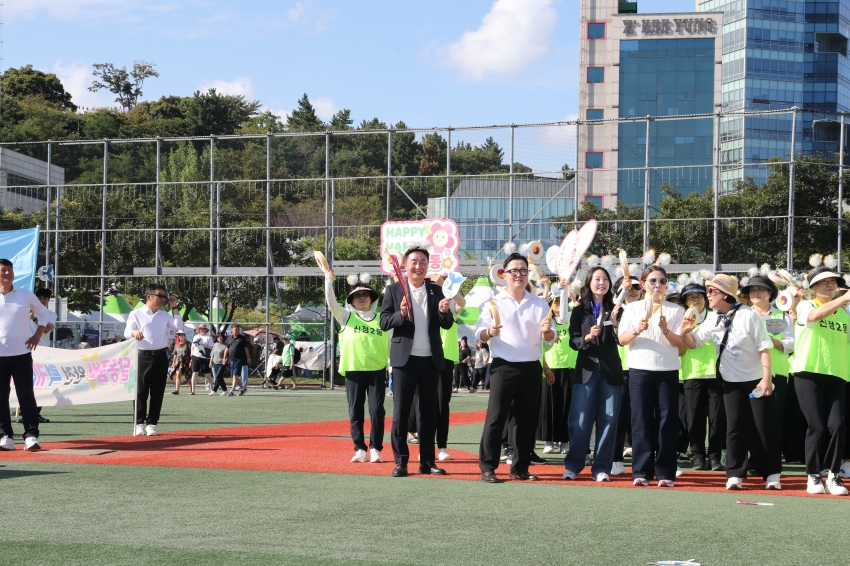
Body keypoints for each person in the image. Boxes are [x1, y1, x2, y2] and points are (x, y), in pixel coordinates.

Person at [682, 274, 782, 491]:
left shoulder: (749, 315)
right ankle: (735, 474)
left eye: (711, 291)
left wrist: (766, 379)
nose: (707, 295)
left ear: (725, 294)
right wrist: (685, 332)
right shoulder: (713, 318)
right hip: (730, 381)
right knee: (734, 427)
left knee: (763, 426)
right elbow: (694, 343)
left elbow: (765, 347)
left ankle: (772, 473)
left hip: (756, 380)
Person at [477, 252, 557, 483]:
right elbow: (480, 333)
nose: (518, 275)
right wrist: (489, 332)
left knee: (527, 419)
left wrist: (547, 331)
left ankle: (520, 467)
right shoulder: (493, 303)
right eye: (513, 271)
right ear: (504, 274)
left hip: (531, 367)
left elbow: (550, 339)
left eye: (523, 270)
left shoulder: (539, 303)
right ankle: (488, 467)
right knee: (496, 417)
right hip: (503, 366)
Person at [380, 245, 454, 478]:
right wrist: (400, 314)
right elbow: (384, 322)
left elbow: (446, 323)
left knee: (428, 414)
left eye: (423, 261)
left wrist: (444, 311)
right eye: (414, 261)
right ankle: (401, 462)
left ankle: (427, 462)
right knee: (401, 413)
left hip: (431, 360)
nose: (418, 266)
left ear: (428, 265)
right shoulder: (394, 290)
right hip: (405, 360)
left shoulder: (436, 290)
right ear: (405, 265)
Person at [618, 265, 686, 487]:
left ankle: (665, 472)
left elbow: (681, 344)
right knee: (641, 420)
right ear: (644, 284)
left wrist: (666, 330)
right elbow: (622, 339)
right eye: (653, 281)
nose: (658, 285)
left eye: (662, 281)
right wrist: (637, 330)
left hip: (667, 370)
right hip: (639, 369)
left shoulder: (676, 310)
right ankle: (641, 471)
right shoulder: (632, 308)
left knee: (667, 421)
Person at [789, 266, 850, 496]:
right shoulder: (806, 305)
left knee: (838, 426)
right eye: (824, 282)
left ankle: (833, 475)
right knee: (817, 426)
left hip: (837, 375)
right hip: (808, 373)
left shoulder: (844, 315)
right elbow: (814, 317)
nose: (830, 285)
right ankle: (813, 474)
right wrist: (844, 299)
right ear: (812, 287)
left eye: (833, 281)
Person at [562, 267, 623, 482]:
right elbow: (574, 341)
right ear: (589, 282)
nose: (601, 283)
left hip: (611, 371)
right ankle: (573, 465)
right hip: (586, 371)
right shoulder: (580, 310)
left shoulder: (616, 309)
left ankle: (601, 468)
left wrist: (614, 325)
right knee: (580, 419)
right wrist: (587, 337)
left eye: (605, 279)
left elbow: (621, 339)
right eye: (597, 279)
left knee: (609, 420)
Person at [325, 270, 388, 463]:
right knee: (355, 412)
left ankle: (376, 448)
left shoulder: (382, 319)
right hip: (353, 370)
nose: (361, 297)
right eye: (357, 295)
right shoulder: (346, 316)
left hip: (377, 370)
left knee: (377, 411)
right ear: (351, 301)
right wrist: (328, 280)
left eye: (365, 294)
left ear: (371, 298)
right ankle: (360, 448)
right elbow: (331, 303)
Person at [0, 259, 57, 451]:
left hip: (21, 354)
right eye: (3, 270)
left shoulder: (25, 294)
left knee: (26, 395)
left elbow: (44, 314)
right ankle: (5, 436)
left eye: (9, 270)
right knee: (1, 397)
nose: (7, 273)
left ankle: (31, 436)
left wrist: (38, 334)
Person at [742, 275, 793, 473]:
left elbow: (791, 344)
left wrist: (770, 342)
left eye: (760, 289)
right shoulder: (743, 315)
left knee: (773, 421)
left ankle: (771, 465)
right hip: (749, 375)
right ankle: (754, 463)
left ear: (770, 293)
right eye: (752, 290)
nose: (756, 293)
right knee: (750, 421)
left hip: (776, 375)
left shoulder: (782, 316)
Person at [677, 283, 725, 472]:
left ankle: (715, 457)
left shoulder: (717, 316)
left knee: (716, 418)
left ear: (706, 299)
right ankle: (697, 457)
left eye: (699, 296)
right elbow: (679, 348)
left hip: (717, 372)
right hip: (692, 372)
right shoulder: (681, 319)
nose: (695, 300)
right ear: (685, 301)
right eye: (690, 297)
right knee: (694, 418)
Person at [125, 283, 183, 436]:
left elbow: (178, 326)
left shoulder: (164, 315)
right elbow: (126, 331)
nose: (163, 299)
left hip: (161, 356)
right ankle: (138, 423)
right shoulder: (136, 313)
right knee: (140, 391)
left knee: (158, 392)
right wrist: (134, 332)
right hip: (142, 356)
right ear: (149, 297)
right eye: (160, 296)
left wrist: (174, 307)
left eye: (164, 296)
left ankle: (152, 424)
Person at [537, 286, 575, 455]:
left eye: (563, 301)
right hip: (550, 367)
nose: (560, 305)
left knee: (567, 405)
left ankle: (565, 441)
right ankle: (549, 440)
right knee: (549, 406)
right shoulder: (546, 321)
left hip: (569, 366)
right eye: (556, 302)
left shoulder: (571, 319)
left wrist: (570, 290)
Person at [611, 275, 641, 474]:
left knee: (644, 417)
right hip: (620, 369)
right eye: (628, 287)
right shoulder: (615, 311)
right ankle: (615, 459)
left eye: (637, 287)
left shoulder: (648, 310)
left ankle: (648, 459)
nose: (633, 290)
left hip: (644, 367)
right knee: (619, 416)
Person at [222, 325, 252, 396]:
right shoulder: (229, 338)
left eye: (238, 329)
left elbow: (246, 349)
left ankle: (232, 391)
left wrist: (248, 358)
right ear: (232, 330)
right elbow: (227, 349)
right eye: (236, 329)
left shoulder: (242, 338)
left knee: (235, 375)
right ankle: (243, 388)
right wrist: (224, 358)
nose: (237, 331)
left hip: (239, 360)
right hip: (231, 360)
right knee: (233, 376)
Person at [190, 324, 214, 395]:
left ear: (206, 330)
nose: (203, 330)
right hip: (195, 356)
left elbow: (212, 347)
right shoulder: (196, 337)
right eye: (201, 329)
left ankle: (212, 386)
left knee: (207, 374)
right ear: (199, 330)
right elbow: (192, 346)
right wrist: (191, 355)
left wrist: (204, 345)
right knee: (195, 373)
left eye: (204, 329)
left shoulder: (208, 337)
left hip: (205, 357)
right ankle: (193, 390)